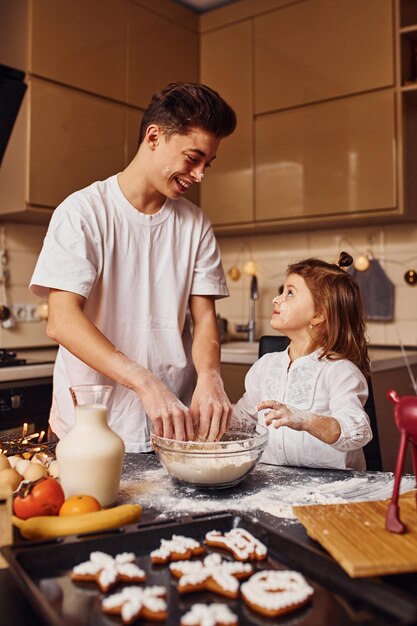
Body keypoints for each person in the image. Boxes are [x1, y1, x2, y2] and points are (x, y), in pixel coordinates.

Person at [30, 82, 237, 452]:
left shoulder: (195, 224)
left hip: (173, 424)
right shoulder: (82, 213)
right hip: (92, 425)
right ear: (154, 137)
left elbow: (204, 318)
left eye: (208, 163)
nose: (200, 174)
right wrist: (144, 381)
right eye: (193, 158)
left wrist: (210, 377)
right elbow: (61, 321)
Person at [233, 252, 373, 470]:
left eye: (290, 293)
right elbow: (240, 420)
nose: (276, 298)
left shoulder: (340, 372)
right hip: (273, 486)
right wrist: (201, 418)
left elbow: (357, 431)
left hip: (333, 492)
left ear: (318, 314)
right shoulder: (266, 366)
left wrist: (304, 420)